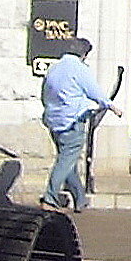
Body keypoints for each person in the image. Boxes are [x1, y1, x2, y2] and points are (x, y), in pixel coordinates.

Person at [39, 37, 117, 212]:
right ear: (84, 54)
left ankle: (80, 199)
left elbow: (44, 94)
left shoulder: (54, 68)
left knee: (69, 161)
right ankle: (50, 199)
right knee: (65, 161)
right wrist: (111, 105)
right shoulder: (79, 69)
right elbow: (94, 91)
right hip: (72, 121)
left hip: (54, 121)